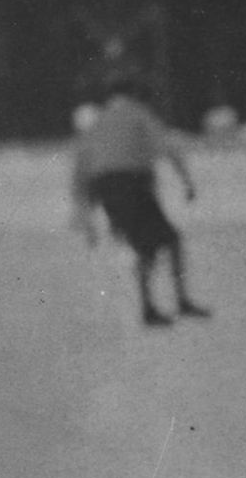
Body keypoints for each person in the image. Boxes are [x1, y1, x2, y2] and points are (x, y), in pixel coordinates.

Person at [71, 70, 210, 328]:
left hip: (107, 189)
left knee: (146, 246)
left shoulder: (97, 122)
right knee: (169, 240)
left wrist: (86, 213)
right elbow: (167, 147)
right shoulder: (139, 113)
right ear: (134, 92)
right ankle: (177, 301)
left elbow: (82, 167)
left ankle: (151, 306)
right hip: (132, 185)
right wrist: (187, 182)